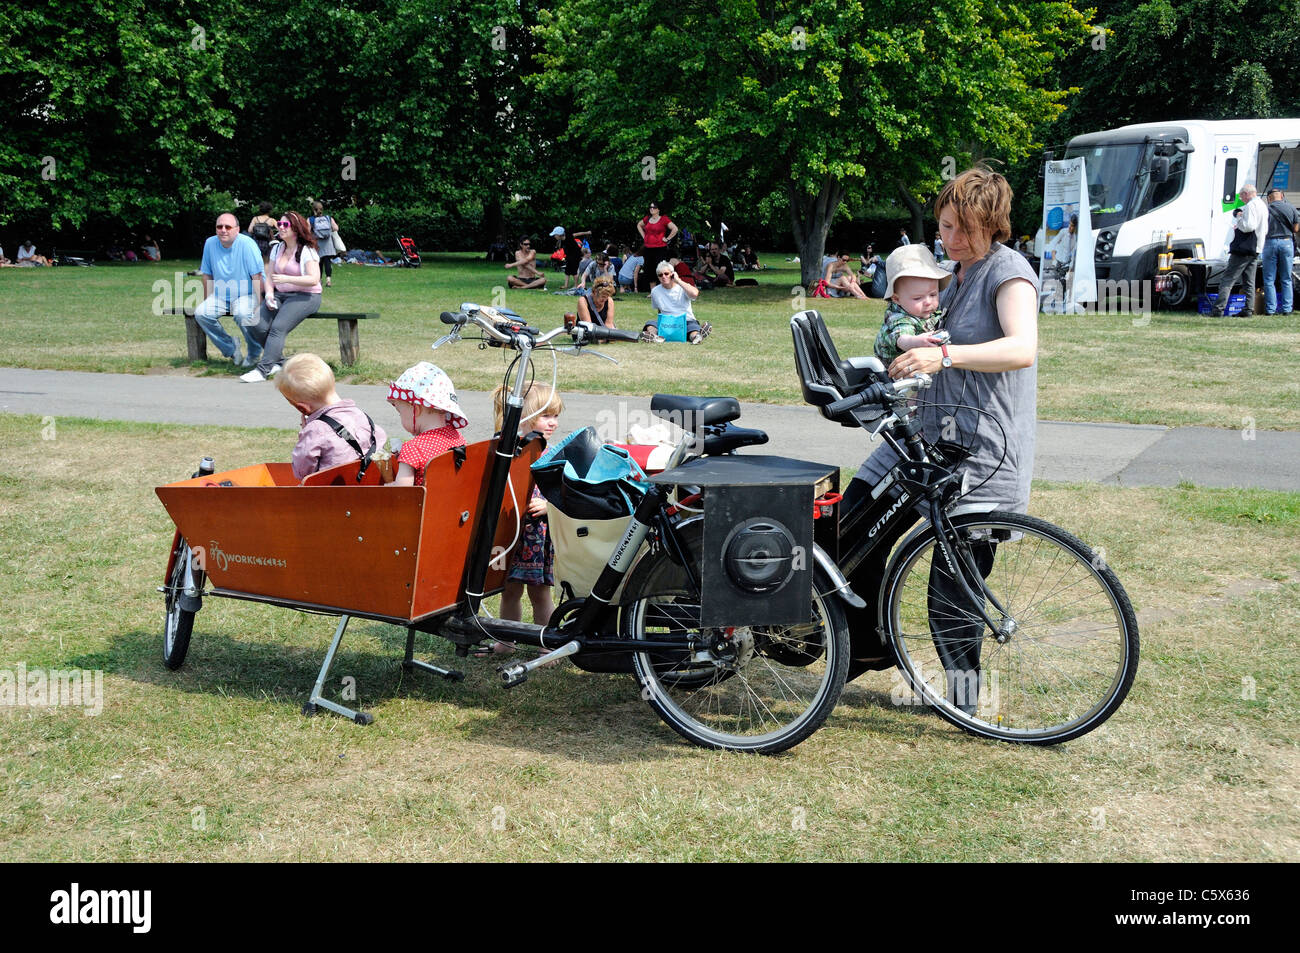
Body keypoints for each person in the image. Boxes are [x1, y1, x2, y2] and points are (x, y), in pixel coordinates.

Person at [843, 167, 1038, 701]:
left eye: (958, 228)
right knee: (849, 528)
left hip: (979, 453)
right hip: (923, 441)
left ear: (989, 224)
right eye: (944, 226)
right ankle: (865, 646)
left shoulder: (1009, 272)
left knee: (950, 590)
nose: (947, 239)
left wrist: (944, 353)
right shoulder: (954, 275)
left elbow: (1022, 348)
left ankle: (965, 700)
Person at [487, 382, 565, 641]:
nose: (552, 422)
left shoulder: (552, 454)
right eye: (546, 415)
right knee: (509, 591)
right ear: (523, 415)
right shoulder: (506, 449)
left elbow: (566, 493)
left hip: (538, 537)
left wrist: (548, 505)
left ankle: (547, 643)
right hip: (511, 534)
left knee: (540, 594)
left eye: (555, 416)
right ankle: (506, 642)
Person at [276, 353, 388, 480]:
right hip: (369, 486)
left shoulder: (315, 430)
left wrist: (305, 431)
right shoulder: (360, 415)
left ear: (302, 408)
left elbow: (302, 472)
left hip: (331, 494)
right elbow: (380, 441)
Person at [241, 211, 322, 383]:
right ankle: (278, 361)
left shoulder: (307, 250)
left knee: (278, 327)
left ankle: (263, 370)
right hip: (280, 294)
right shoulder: (277, 248)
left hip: (306, 296)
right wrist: (269, 294)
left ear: (296, 228)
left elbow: (314, 279)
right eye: (279, 224)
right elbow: (269, 276)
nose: (281, 227)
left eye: (285, 225)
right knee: (255, 323)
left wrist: (287, 279)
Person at [195, 213, 265, 368]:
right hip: (220, 296)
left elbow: (257, 276)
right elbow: (207, 274)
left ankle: (254, 354)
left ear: (237, 229)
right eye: (219, 227)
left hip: (247, 294)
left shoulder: (247, 244)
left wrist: (260, 305)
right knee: (201, 313)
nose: (223, 230)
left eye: (228, 227)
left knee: (242, 313)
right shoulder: (210, 243)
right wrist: (207, 300)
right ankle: (231, 348)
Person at [387, 362, 468, 487]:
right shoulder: (458, 439)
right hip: (452, 504)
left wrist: (390, 486)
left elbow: (402, 495)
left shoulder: (413, 449)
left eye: (400, 413)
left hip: (424, 506)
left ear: (416, 410)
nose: (400, 417)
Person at [872, 244, 950, 365]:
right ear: (896, 299)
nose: (928, 302)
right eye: (918, 298)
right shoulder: (899, 318)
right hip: (893, 374)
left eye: (933, 294)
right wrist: (916, 341)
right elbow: (902, 338)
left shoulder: (926, 310)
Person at [1210, 183, 1268, 318]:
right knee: (1249, 281)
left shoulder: (1251, 205)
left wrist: (1239, 217)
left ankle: (1218, 309)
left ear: (1246, 194)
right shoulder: (1262, 205)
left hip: (1244, 249)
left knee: (1227, 279)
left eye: (1241, 196)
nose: (1241, 199)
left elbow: (1249, 226)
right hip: (1256, 248)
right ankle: (1248, 309)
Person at [645, 261, 711, 344]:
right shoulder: (655, 291)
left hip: (686, 320)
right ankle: (654, 336)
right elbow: (659, 310)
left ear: (672, 274)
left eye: (666, 273)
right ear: (658, 277)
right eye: (660, 275)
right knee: (650, 324)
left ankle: (696, 337)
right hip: (667, 323)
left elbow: (695, 294)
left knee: (692, 328)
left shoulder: (683, 287)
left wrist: (678, 280)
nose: (663, 277)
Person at [1262, 188, 1299, 315]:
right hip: (1287, 242)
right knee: (1286, 278)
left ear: (1269, 198)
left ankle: (1271, 309)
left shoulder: (1265, 209)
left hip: (1270, 242)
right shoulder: (1291, 208)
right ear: (1282, 196)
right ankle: (1287, 309)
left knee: (1269, 278)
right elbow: (1295, 228)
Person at [636, 202, 678, 291]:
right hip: (648, 248)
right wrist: (644, 236)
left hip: (660, 248)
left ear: (658, 209)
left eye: (654, 207)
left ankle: (664, 289)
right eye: (650, 207)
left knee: (661, 269)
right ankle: (653, 292)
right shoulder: (647, 218)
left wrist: (667, 239)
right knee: (649, 269)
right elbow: (639, 225)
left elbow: (675, 229)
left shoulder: (664, 219)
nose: (651, 209)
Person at [309, 201, 339, 288]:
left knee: (319, 263)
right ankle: (328, 280)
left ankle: (319, 280)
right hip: (328, 243)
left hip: (317, 243)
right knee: (327, 262)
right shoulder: (328, 218)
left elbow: (307, 231)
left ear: (313, 210)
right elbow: (336, 228)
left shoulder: (311, 219)